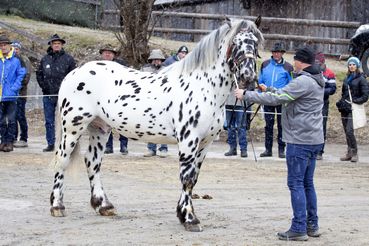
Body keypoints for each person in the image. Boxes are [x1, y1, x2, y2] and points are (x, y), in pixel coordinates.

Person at [235, 46, 325, 241]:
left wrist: (246, 95)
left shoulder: (303, 81)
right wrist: (270, 89)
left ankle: (299, 227)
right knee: (307, 183)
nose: (294, 63)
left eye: (296, 60)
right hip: (313, 139)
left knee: (296, 183)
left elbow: (277, 99)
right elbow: (287, 95)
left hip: (299, 140)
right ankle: (312, 224)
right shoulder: (317, 80)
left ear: (302, 61)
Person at [36, 34, 76, 152]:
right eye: (54, 44)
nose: (56, 45)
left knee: (65, 120)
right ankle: (51, 143)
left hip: (64, 96)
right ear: (51, 45)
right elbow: (39, 74)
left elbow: (73, 76)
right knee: (49, 120)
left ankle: (64, 143)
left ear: (62, 45)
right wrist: (44, 87)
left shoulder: (69, 59)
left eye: (58, 43)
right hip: (48, 94)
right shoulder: (45, 59)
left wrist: (66, 90)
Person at [258, 42, 293, 158]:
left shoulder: (288, 67)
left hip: (281, 100)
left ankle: (281, 149)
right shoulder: (265, 64)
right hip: (268, 99)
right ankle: (268, 149)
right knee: (268, 125)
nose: (276, 54)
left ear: (282, 53)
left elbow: (291, 84)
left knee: (281, 125)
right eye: (274, 52)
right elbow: (260, 80)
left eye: (278, 52)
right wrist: (260, 94)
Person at [336, 57, 369, 162]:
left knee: (350, 131)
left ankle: (355, 152)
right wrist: (341, 101)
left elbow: (365, 96)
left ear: (357, 66)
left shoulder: (361, 79)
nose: (351, 66)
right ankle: (349, 152)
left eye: (354, 64)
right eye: (350, 64)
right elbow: (343, 93)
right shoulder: (346, 78)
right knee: (346, 131)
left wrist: (354, 101)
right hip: (345, 108)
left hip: (353, 108)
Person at [99, 45, 129, 155]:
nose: (107, 54)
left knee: (122, 123)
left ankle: (124, 146)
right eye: (105, 52)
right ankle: (108, 146)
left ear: (114, 55)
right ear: (102, 54)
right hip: (105, 98)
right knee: (106, 123)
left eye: (110, 53)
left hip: (120, 97)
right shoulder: (98, 66)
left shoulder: (121, 65)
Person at [141, 49, 169, 157]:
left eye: (158, 59)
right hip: (149, 101)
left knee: (164, 126)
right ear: (151, 60)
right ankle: (151, 149)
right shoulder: (145, 69)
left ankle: (163, 148)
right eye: (154, 59)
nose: (156, 61)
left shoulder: (167, 70)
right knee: (150, 125)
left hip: (163, 101)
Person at [0, 35, 26, 152]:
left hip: (11, 95)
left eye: (5, 45)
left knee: (11, 120)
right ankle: (3, 141)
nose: (3, 47)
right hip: (0, 96)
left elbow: (21, 74)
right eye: (1, 45)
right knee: (0, 120)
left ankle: (10, 142)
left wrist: (14, 88)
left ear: (9, 46)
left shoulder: (16, 59)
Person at [315, 52, 336, 160]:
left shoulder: (329, 73)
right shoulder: (313, 72)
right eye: (315, 62)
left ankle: (320, 151)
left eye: (319, 62)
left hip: (323, 102)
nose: (317, 64)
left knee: (321, 127)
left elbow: (332, 89)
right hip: (312, 103)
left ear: (323, 62)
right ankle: (312, 149)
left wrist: (320, 92)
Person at [12, 40, 33, 148]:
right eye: (13, 48)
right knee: (12, 117)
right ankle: (13, 137)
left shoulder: (25, 60)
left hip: (20, 94)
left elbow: (26, 77)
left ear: (19, 49)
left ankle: (24, 138)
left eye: (17, 48)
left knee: (20, 116)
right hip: (10, 95)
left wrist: (14, 87)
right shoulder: (9, 60)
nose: (15, 50)